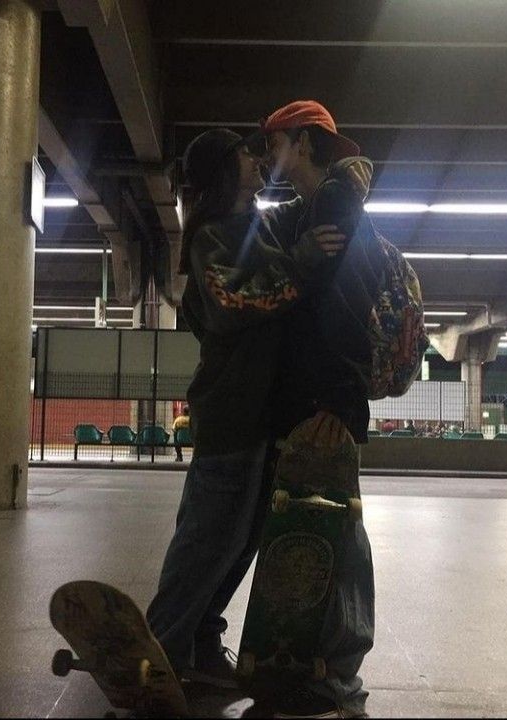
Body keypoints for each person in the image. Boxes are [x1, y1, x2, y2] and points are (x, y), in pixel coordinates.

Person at [145, 128, 346, 689]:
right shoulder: (212, 236)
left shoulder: (256, 225)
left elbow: (310, 203)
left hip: (262, 415)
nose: (257, 161)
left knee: (240, 541)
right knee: (206, 542)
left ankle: (202, 640)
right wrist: (302, 262)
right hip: (229, 412)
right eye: (244, 156)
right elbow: (237, 303)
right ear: (222, 174)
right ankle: (161, 652)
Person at [258, 100, 378, 719]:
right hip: (310, 397)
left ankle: (341, 672)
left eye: (275, 145)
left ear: (302, 143)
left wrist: (338, 399)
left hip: (325, 401)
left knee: (339, 526)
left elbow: (347, 304)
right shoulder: (314, 206)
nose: (268, 160)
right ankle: (315, 664)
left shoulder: (336, 202)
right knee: (312, 524)